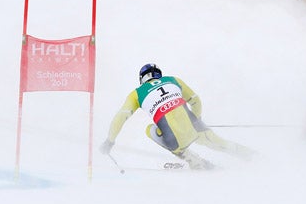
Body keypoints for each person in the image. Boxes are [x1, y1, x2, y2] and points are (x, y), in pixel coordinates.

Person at [99, 63, 253, 169]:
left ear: (142, 79)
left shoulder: (136, 94)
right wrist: (197, 119)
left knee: (150, 130)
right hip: (195, 128)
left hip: (173, 139)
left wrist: (110, 141)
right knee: (221, 143)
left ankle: (193, 160)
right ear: (159, 75)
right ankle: (254, 157)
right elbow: (195, 100)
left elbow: (121, 117)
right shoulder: (173, 80)